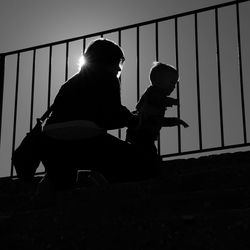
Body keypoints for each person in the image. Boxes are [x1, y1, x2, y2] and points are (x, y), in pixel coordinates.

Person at [40, 38, 159, 191]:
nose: (118, 68)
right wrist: (136, 120)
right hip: (85, 140)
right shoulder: (107, 78)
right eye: (117, 63)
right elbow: (112, 116)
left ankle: (53, 183)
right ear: (108, 61)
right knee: (142, 164)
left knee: (63, 185)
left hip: (51, 144)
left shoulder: (69, 83)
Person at [126, 62, 189, 157]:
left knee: (145, 154)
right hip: (141, 132)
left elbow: (158, 121)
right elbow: (157, 100)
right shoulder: (154, 92)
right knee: (148, 155)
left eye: (175, 83)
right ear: (159, 80)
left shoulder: (156, 101)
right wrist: (171, 101)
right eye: (172, 82)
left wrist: (176, 121)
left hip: (144, 133)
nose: (174, 87)